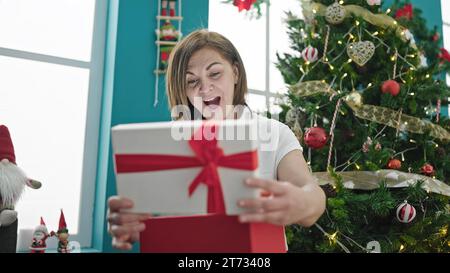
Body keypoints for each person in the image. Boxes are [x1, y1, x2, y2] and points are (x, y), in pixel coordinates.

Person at [107, 29, 326, 250]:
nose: (205, 88)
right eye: (192, 82)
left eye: (214, 74)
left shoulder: (274, 132)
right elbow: (138, 218)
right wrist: (127, 223)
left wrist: (303, 202)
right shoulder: (169, 141)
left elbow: (313, 195)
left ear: (236, 73)